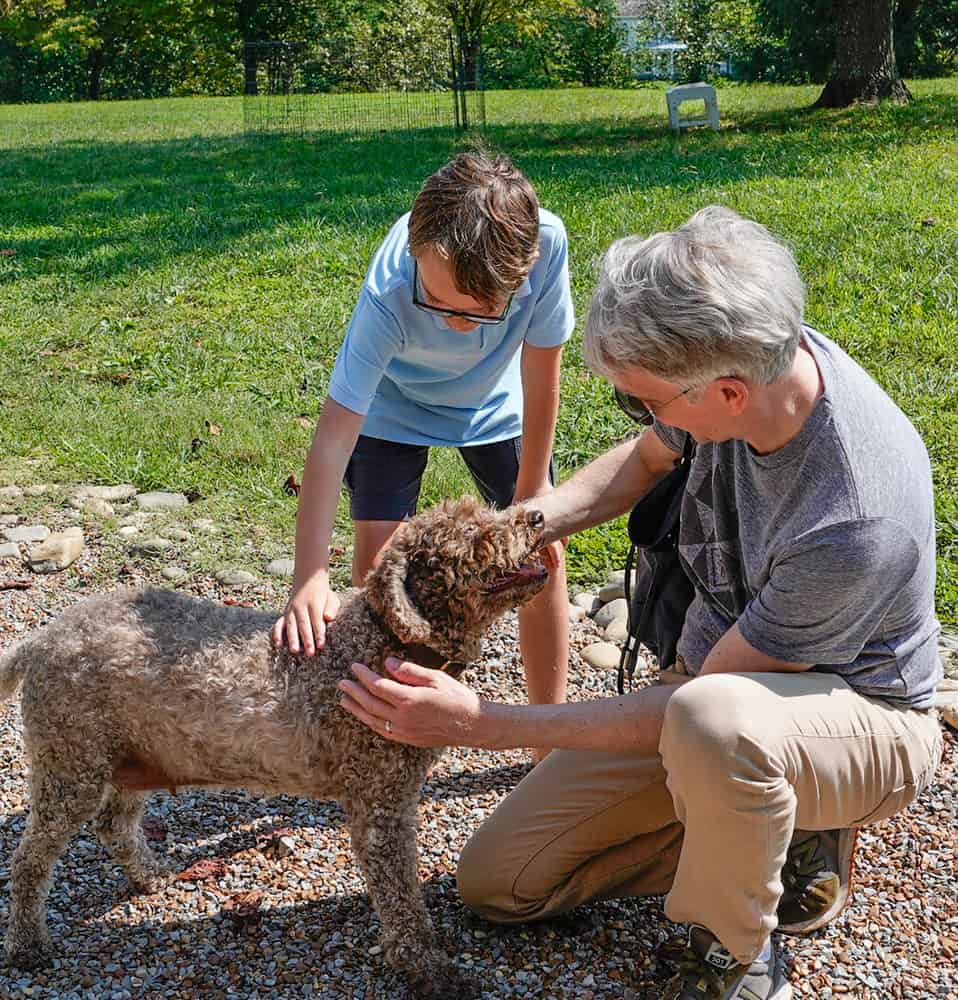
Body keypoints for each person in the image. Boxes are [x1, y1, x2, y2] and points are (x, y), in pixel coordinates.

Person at [336, 206, 945, 1000]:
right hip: (721, 695)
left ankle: (736, 959)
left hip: (856, 717)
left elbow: (689, 706)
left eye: (642, 400)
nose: (643, 417)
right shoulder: (744, 364)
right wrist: (514, 531)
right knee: (499, 884)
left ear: (725, 392)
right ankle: (774, 831)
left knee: (713, 726)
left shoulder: (854, 517)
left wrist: (479, 724)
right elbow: (641, 463)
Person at [274, 150, 574, 723]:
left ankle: (548, 735)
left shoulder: (547, 246)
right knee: (379, 572)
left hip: (494, 402)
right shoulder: (390, 288)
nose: (449, 323)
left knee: (540, 557)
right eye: (432, 301)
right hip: (394, 407)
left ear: (524, 269)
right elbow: (335, 437)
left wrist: (535, 494)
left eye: (475, 314)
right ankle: (380, 725)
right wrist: (310, 575)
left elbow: (542, 374)